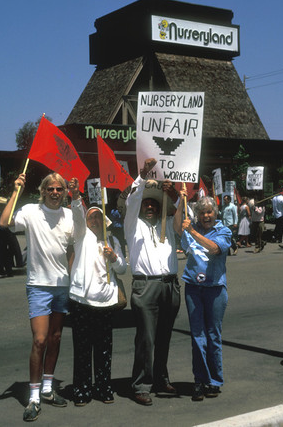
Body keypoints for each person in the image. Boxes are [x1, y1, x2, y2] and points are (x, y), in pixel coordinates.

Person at [0, 172, 74, 422]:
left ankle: (48, 389)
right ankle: (33, 397)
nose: (55, 193)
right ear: (43, 191)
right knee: (40, 340)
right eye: (50, 189)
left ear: (64, 192)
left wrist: (70, 274)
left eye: (59, 189)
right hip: (38, 287)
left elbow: (73, 246)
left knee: (55, 338)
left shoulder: (69, 215)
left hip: (61, 287)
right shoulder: (30, 211)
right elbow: (4, 222)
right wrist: (16, 190)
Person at [124, 158, 180, 406]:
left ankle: (160, 378)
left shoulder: (166, 225)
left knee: (164, 336)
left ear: (159, 208)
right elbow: (132, 199)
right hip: (145, 287)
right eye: (146, 203)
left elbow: (179, 212)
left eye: (154, 204)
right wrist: (143, 173)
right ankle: (141, 385)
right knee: (146, 338)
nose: (149, 207)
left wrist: (174, 195)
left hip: (170, 286)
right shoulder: (132, 226)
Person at [68, 178, 127, 406]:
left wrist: (113, 257)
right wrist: (75, 196)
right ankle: (82, 391)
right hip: (82, 301)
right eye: (90, 216)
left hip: (105, 302)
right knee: (82, 348)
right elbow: (77, 214)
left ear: (104, 219)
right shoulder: (81, 236)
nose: (94, 219)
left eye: (98, 216)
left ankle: (103, 388)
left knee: (103, 349)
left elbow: (122, 267)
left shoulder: (112, 240)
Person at [173, 194, 231, 401]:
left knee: (213, 336)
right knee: (197, 335)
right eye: (202, 212)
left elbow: (215, 249)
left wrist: (192, 232)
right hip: (193, 289)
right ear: (196, 214)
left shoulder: (223, 230)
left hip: (215, 290)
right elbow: (177, 226)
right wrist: (181, 202)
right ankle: (199, 380)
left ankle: (214, 380)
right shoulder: (190, 227)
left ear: (215, 213)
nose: (206, 215)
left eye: (209, 212)